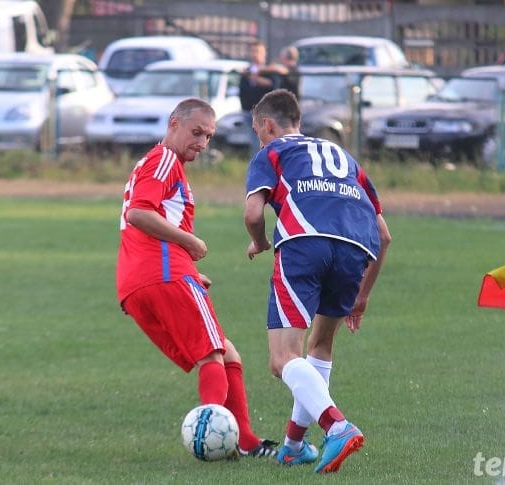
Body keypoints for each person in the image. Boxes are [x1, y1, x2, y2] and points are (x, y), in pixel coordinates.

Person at [115, 97, 278, 457]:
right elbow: (139, 214)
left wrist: (188, 270)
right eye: (197, 132)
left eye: (208, 137)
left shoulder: (158, 164)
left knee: (226, 351)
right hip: (163, 274)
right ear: (174, 123)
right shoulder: (164, 161)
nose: (202, 143)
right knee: (212, 356)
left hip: (144, 279)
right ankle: (209, 438)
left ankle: (246, 441)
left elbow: (146, 221)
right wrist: (190, 243)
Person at [243, 89, 391, 473]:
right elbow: (385, 235)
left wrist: (259, 242)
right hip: (356, 247)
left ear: (268, 125)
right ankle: (293, 445)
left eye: (259, 132)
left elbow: (253, 213)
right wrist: (362, 296)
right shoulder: (344, 157)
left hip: (304, 242)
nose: (259, 139)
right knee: (320, 344)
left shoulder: (272, 153)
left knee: (282, 359)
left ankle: (336, 426)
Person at [239, 40, 279, 156]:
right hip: (249, 112)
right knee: (254, 143)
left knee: (267, 141)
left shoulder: (270, 71)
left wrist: (259, 80)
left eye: (258, 51)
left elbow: (274, 87)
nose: (255, 54)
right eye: (253, 51)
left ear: (264, 53)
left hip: (266, 114)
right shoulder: (247, 72)